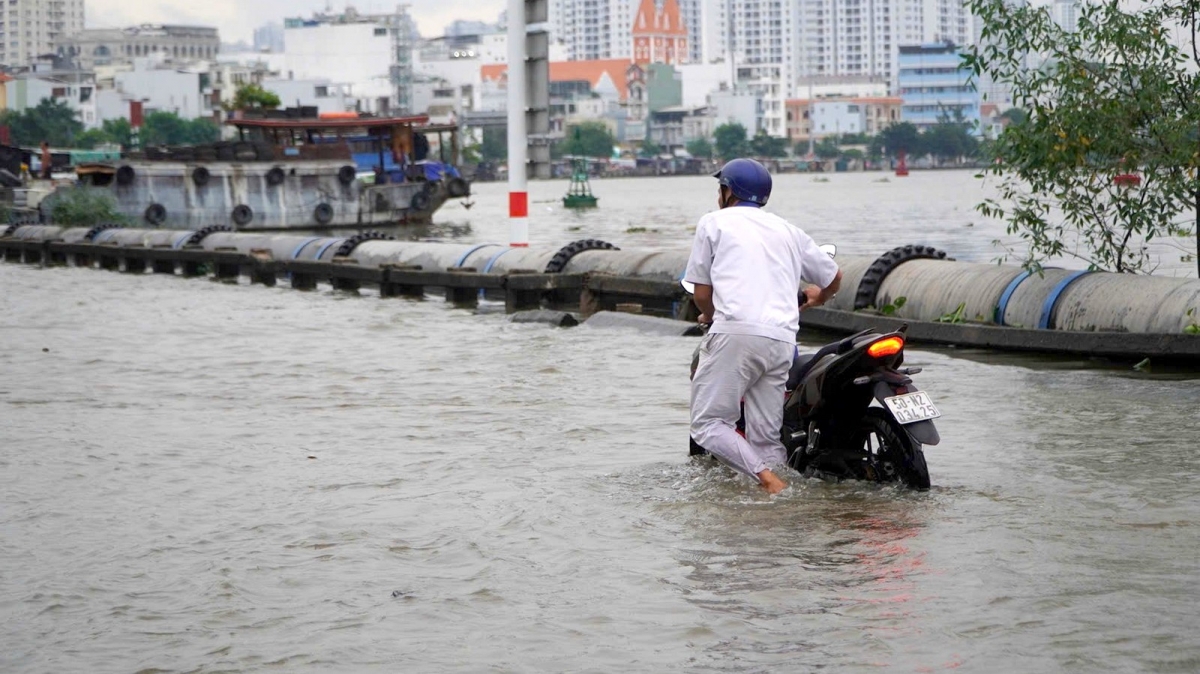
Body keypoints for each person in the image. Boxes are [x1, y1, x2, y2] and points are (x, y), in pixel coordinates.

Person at [685, 158, 843, 494]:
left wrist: (710, 315)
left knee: (708, 424)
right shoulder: (788, 230)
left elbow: (701, 293)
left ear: (729, 191)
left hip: (736, 335)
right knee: (766, 437)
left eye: (720, 187)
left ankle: (768, 481)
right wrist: (819, 298)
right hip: (781, 341)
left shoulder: (714, 223)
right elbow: (834, 276)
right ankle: (779, 498)